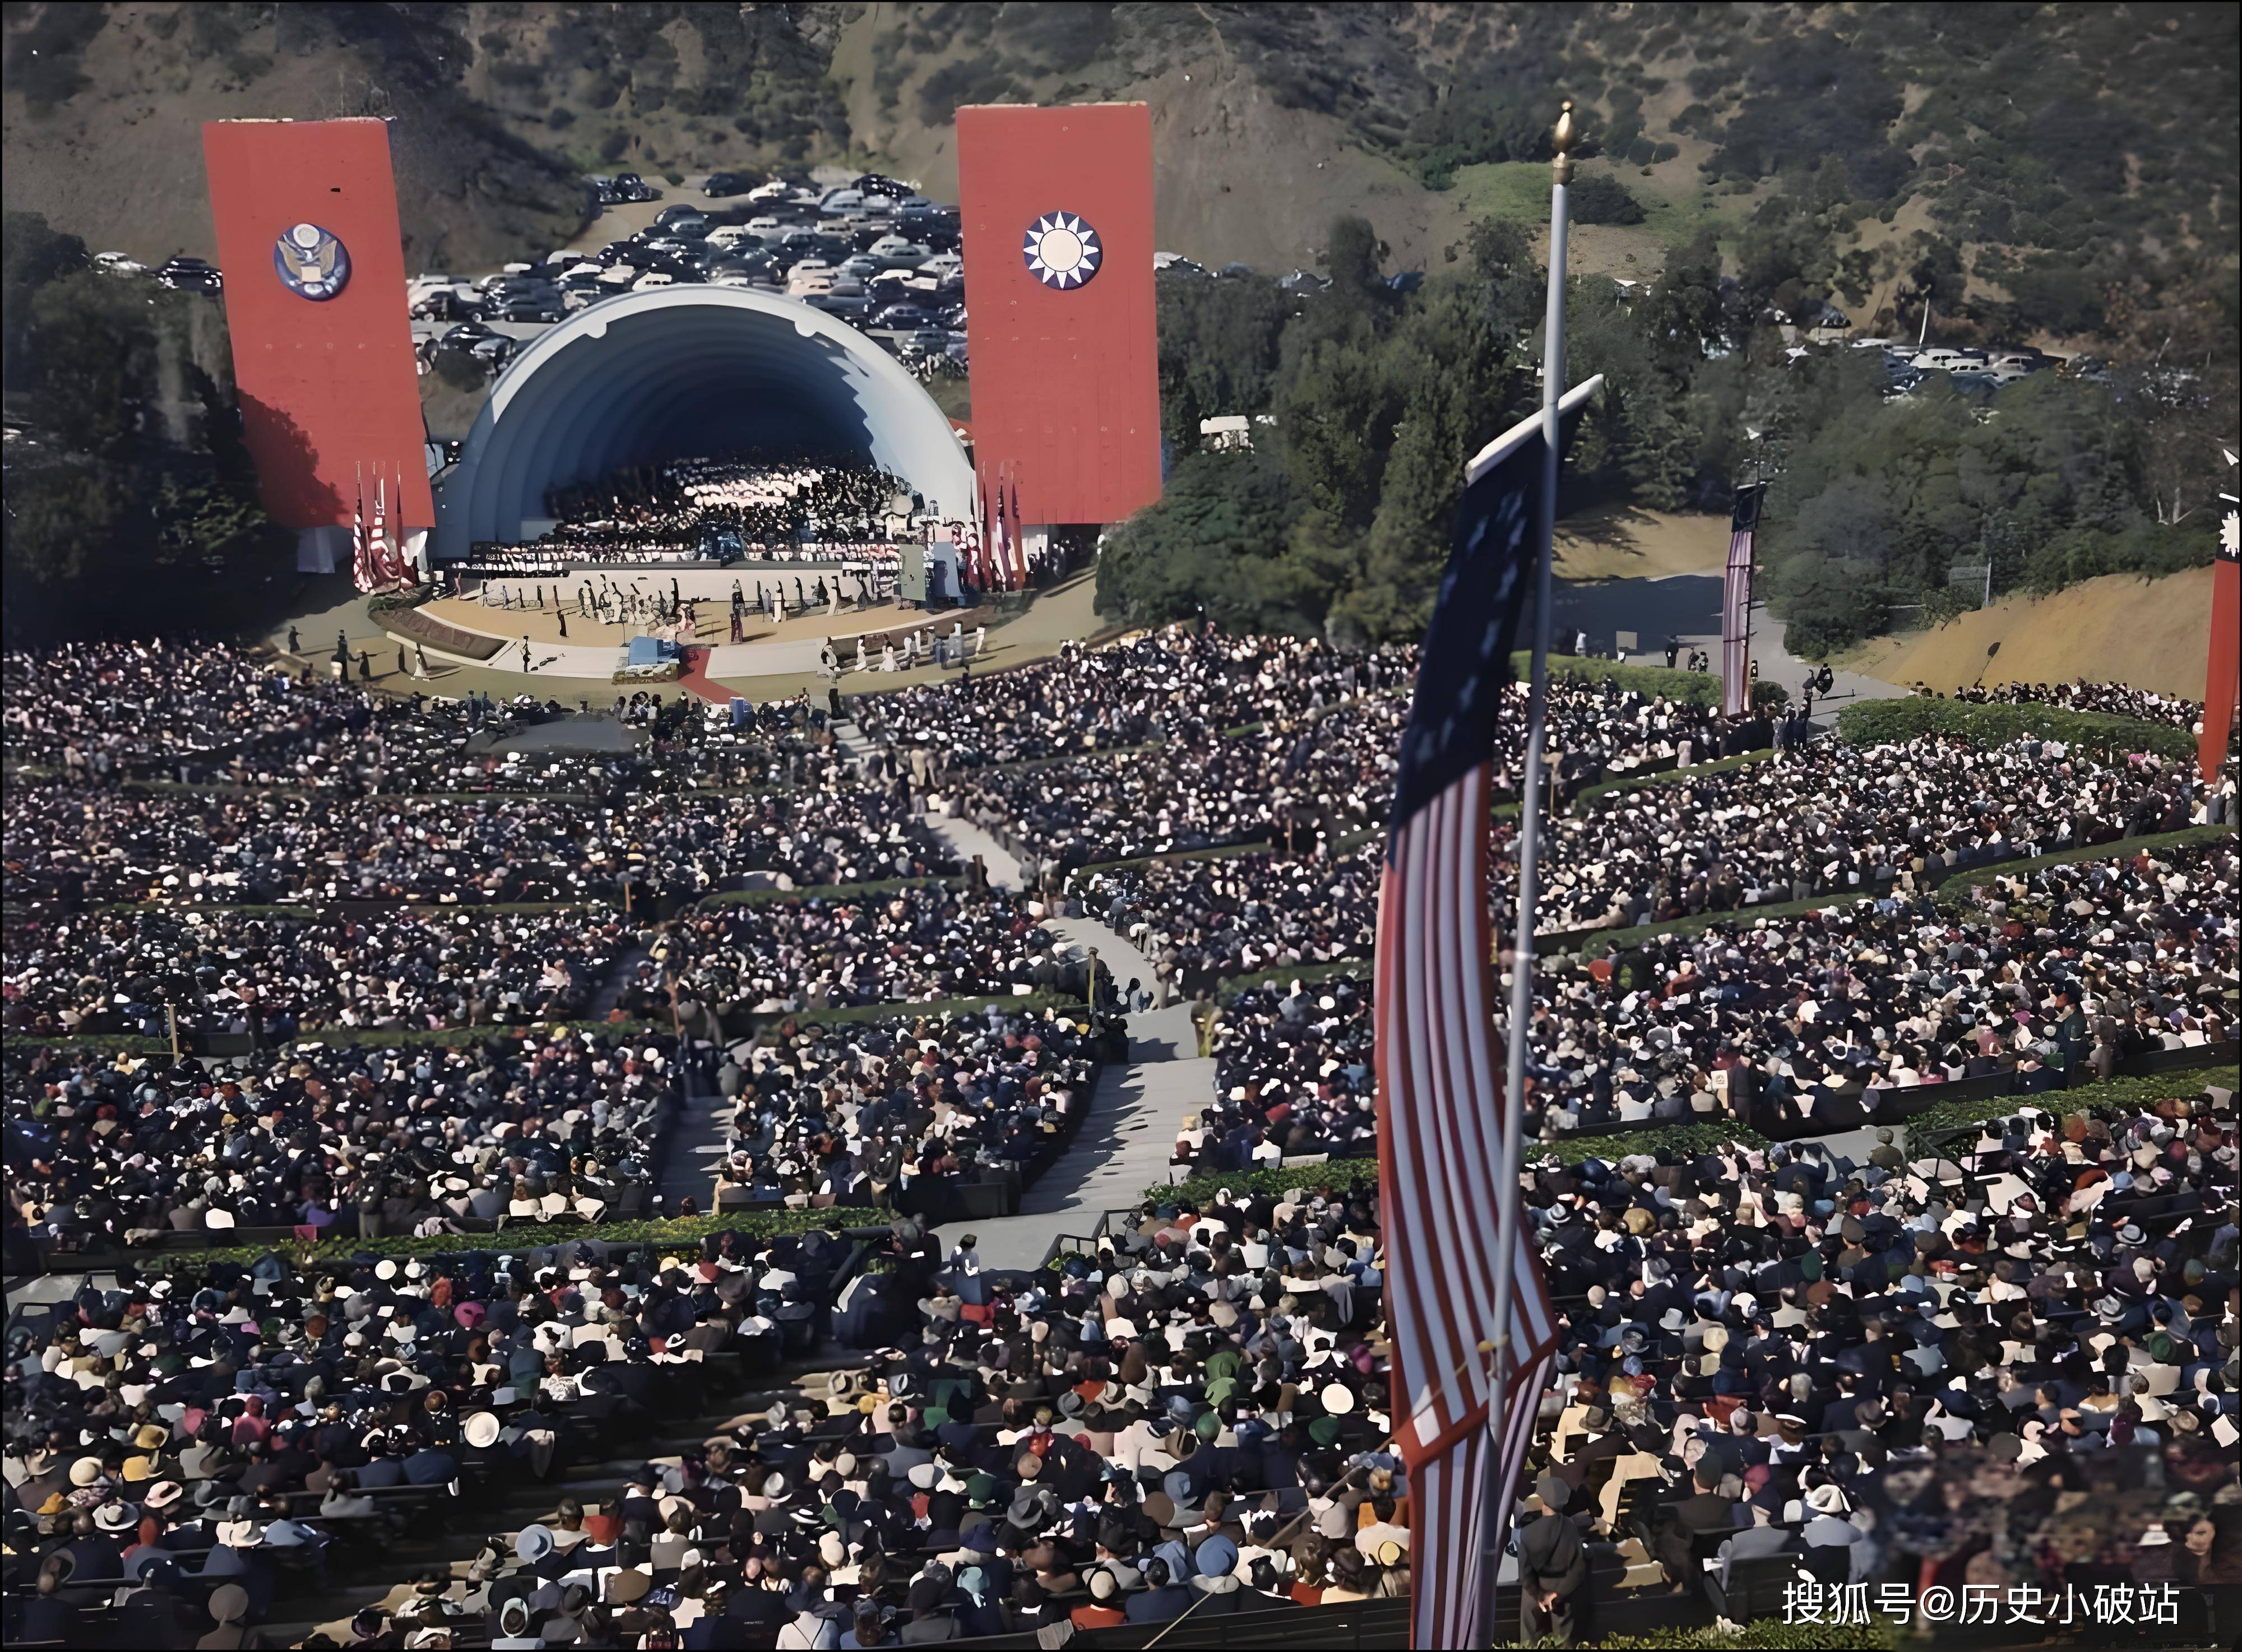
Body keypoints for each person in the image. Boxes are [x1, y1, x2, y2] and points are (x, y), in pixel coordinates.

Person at [1517, 1475, 1588, 1645]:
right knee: (1565, 1639)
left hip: (1535, 1592)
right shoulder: (1571, 1528)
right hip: (1562, 1591)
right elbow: (1578, 1568)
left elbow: (1525, 1572)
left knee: (1530, 1637)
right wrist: (1558, 1593)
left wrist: (1539, 1595)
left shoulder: (1529, 1530)